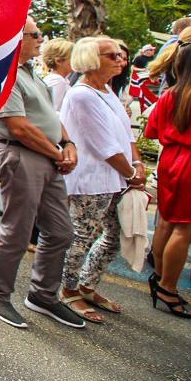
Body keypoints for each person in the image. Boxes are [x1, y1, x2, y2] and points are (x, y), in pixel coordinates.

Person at [0, 17, 85, 330]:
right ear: (16, 38)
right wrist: (58, 152)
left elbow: (50, 117)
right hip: (21, 155)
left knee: (61, 231)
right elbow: (18, 126)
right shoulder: (7, 75)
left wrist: (67, 144)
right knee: (18, 230)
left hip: (47, 157)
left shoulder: (32, 74)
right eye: (34, 34)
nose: (41, 39)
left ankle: (43, 294)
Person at [57, 37, 144, 323]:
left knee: (112, 238)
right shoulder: (82, 94)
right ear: (92, 59)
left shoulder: (106, 90)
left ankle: (87, 285)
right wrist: (132, 174)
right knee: (82, 236)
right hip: (93, 179)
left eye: (121, 55)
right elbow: (104, 146)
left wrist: (138, 163)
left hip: (115, 178)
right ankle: (68, 290)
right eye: (113, 55)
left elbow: (125, 133)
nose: (121, 59)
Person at [144, 39, 191, 319]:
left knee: (165, 221)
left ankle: (163, 278)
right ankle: (168, 286)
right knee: (184, 229)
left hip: (170, 159)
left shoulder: (171, 94)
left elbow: (152, 132)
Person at [41, 38, 74, 111]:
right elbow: (53, 110)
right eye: (72, 58)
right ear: (58, 61)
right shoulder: (58, 81)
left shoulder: (62, 79)